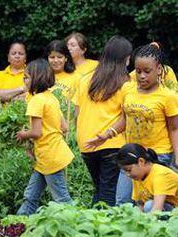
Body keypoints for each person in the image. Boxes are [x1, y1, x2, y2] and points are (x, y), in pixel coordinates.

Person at [87, 43, 178, 204]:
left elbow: (174, 128)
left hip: (158, 156)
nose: (142, 76)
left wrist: (177, 156)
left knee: (153, 205)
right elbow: (124, 119)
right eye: (138, 71)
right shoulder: (128, 89)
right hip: (131, 154)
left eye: (147, 71)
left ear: (159, 69)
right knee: (122, 201)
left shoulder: (168, 97)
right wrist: (106, 135)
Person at [75, 35, 133, 207]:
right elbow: (127, 116)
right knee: (108, 193)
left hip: (86, 143)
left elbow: (78, 112)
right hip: (112, 142)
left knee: (100, 189)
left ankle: (90, 227)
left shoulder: (86, 79)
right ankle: (103, 231)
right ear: (125, 58)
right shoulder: (126, 83)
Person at [16, 59, 73, 216]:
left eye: (26, 77)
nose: (24, 80)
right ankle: (20, 222)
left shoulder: (35, 100)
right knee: (30, 195)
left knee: (62, 200)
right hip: (50, 154)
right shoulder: (51, 97)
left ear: (37, 78)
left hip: (49, 156)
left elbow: (36, 132)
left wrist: (23, 134)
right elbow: (65, 127)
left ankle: (79, 223)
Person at [116, 143, 178, 213]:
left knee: (149, 206)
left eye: (129, 170)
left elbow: (157, 209)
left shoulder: (160, 174)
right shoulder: (137, 177)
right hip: (166, 209)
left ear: (141, 161)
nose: (128, 174)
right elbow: (140, 205)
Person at [46, 40, 80, 123]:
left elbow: (78, 106)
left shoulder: (76, 78)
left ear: (66, 58)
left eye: (60, 57)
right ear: (47, 58)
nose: (56, 60)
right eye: (52, 57)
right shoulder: (41, 76)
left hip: (68, 124)